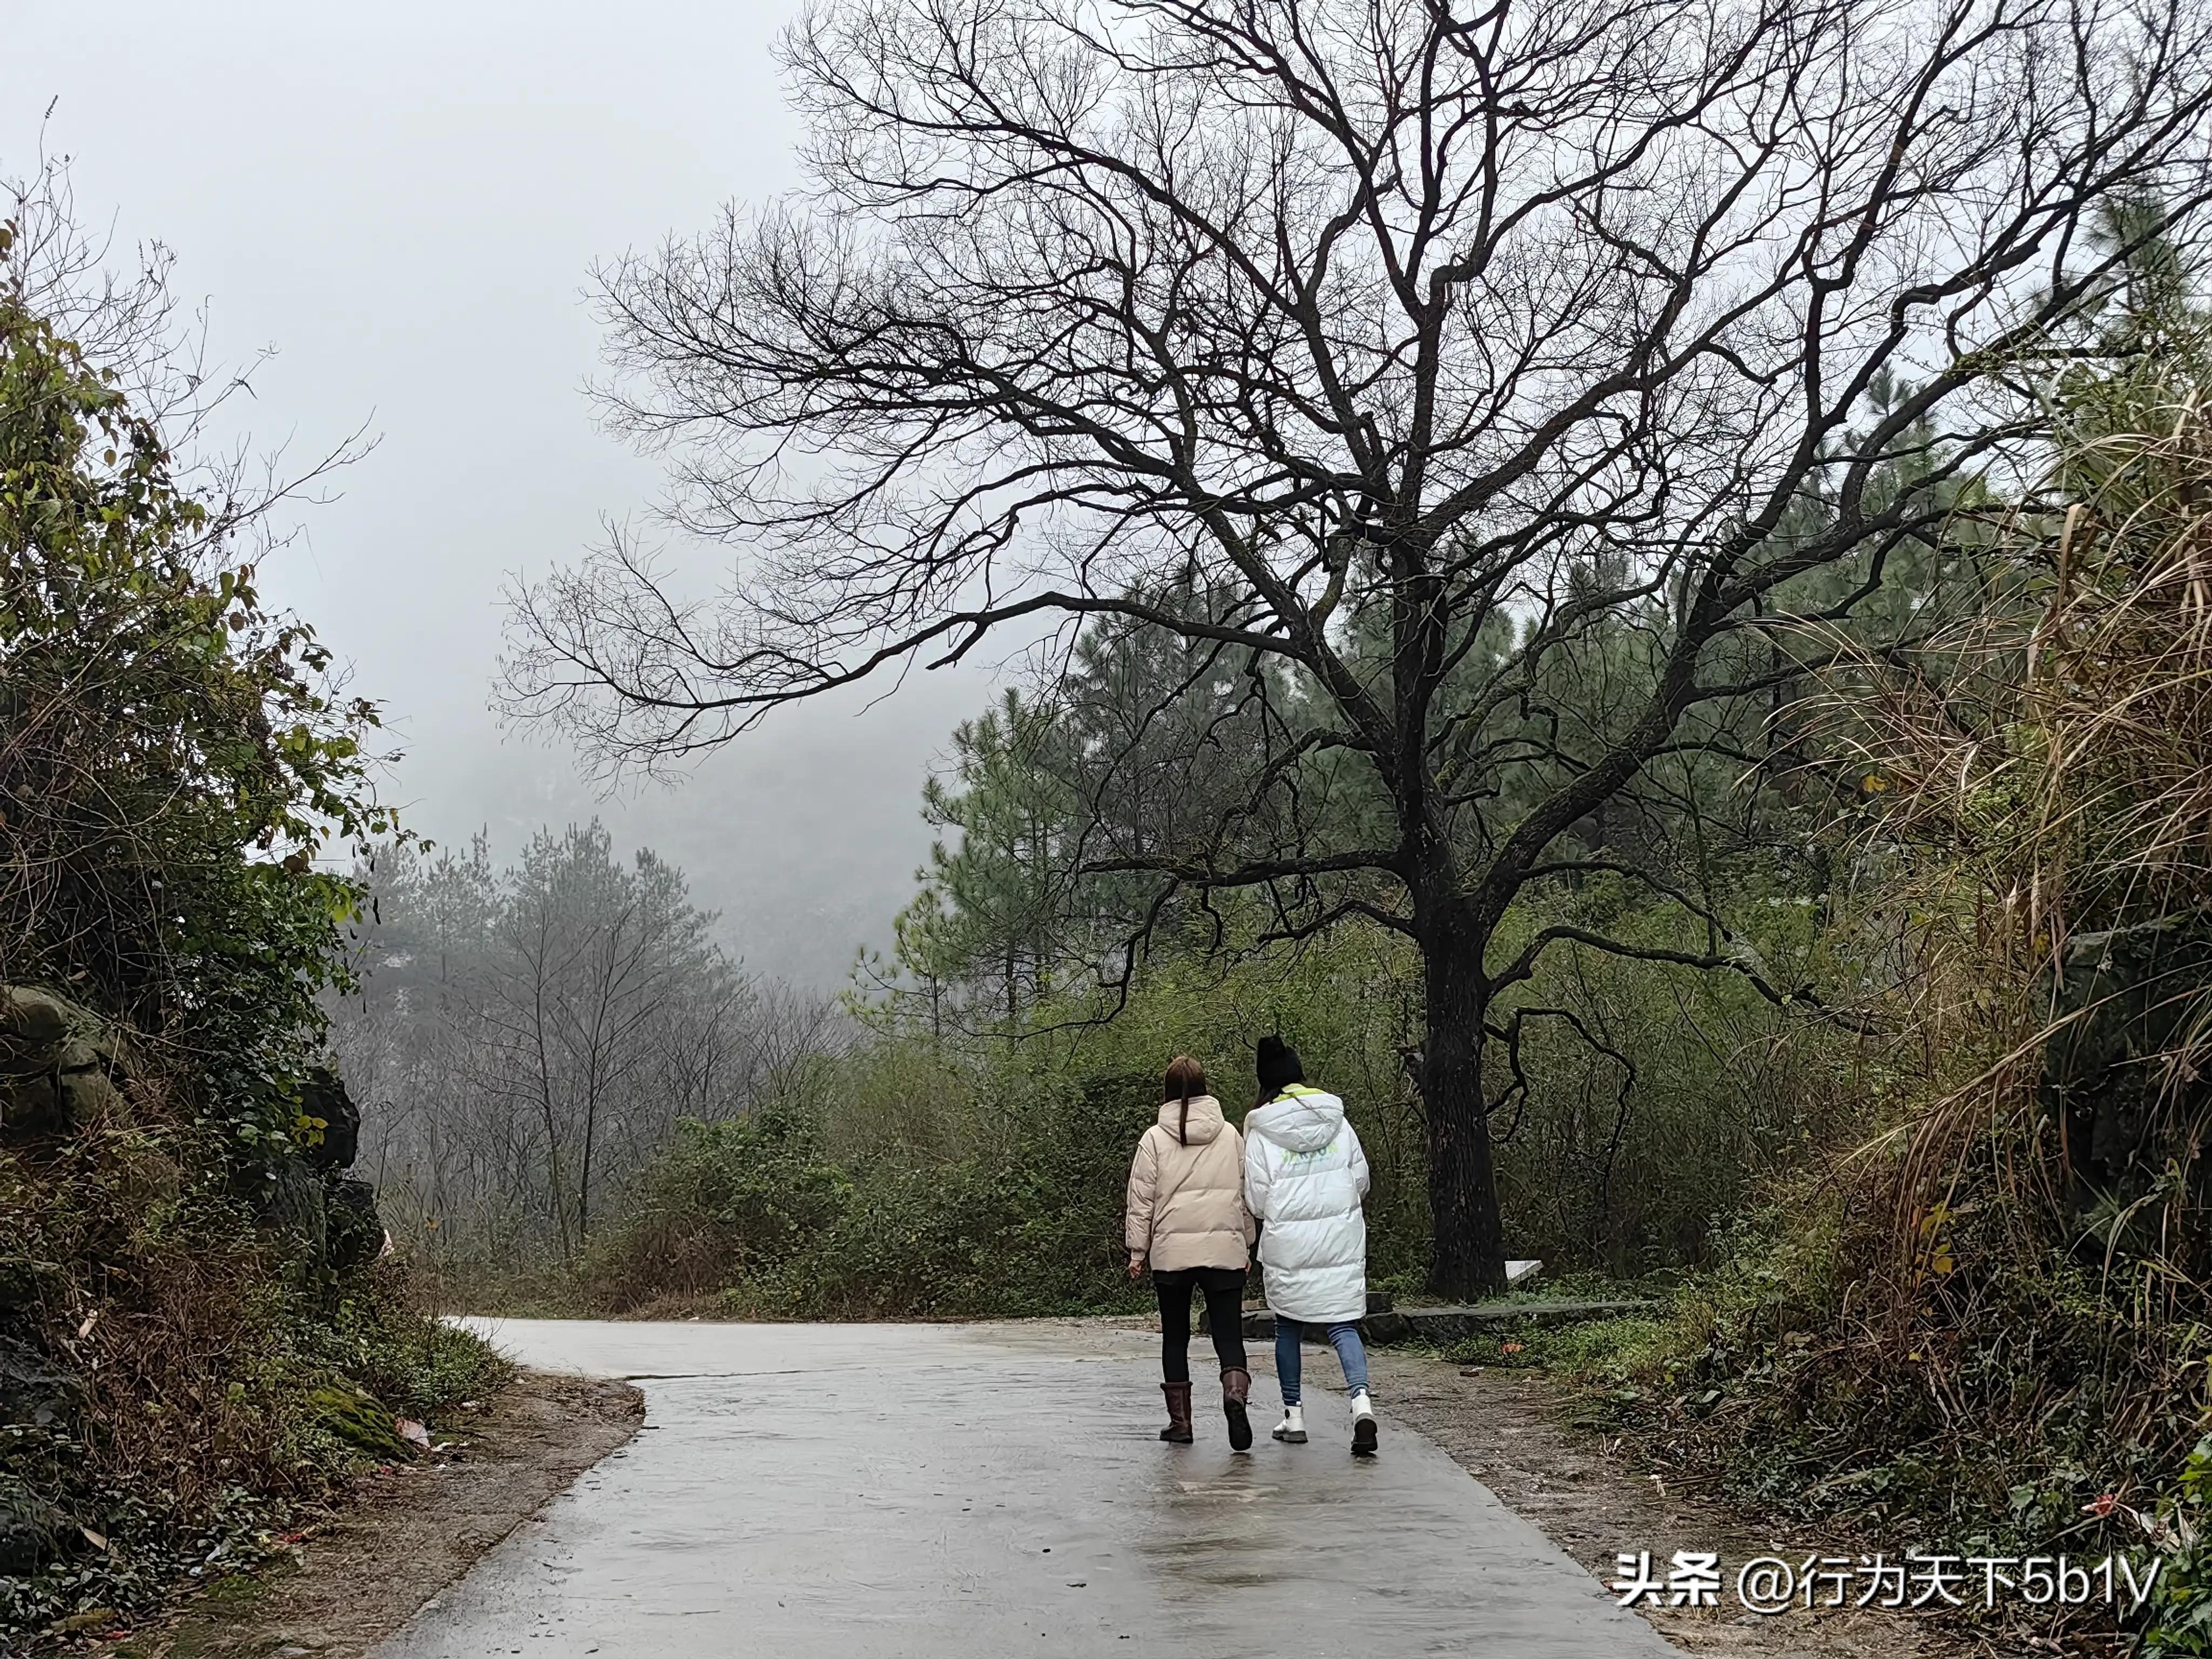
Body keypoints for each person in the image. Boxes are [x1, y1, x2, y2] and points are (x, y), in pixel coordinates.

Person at [1243, 1035, 1378, 1456]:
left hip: (1289, 1244)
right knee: (1343, 1325)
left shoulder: (1262, 1131)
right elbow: (1360, 1180)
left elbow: (1257, 1200)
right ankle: (1361, 1405)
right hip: (1340, 1239)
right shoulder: (1338, 1121)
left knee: (1288, 1325)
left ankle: (1294, 1416)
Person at [1124, 1055, 1256, 1450]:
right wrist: (1246, 1242)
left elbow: (1141, 1199)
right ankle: (1235, 1397)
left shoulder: (1154, 1139)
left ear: (1166, 1092)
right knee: (1229, 1335)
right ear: (1205, 1088)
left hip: (1172, 1254)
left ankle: (1181, 1424)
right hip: (1224, 1250)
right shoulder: (1231, 1134)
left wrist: (1137, 1250)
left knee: (1175, 1337)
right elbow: (1245, 1193)